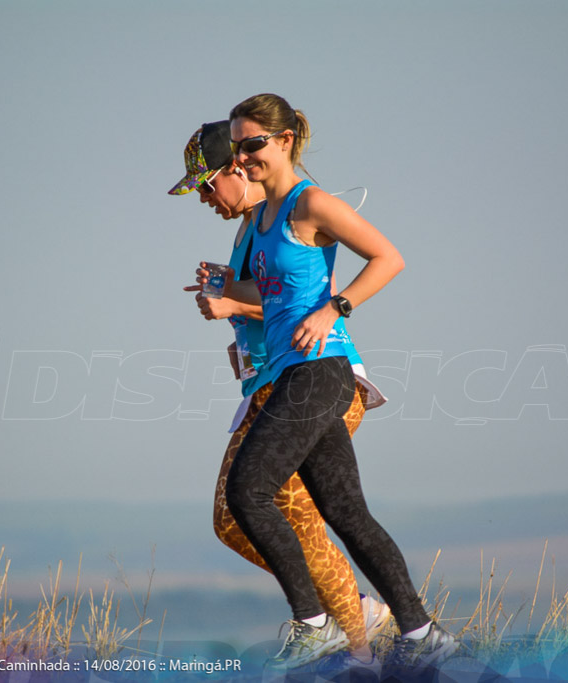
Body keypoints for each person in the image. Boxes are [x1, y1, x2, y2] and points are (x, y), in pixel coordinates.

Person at [216, 94, 459, 676]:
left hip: (321, 368)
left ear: (286, 141)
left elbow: (388, 256)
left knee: (249, 491)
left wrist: (337, 307)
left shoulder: (311, 204)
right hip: (288, 370)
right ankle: (425, 635)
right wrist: (231, 296)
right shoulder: (265, 218)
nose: (244, 157)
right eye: (237, 148)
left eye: (253, 145)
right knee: (347, 513)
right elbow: (269, 295)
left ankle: (316, 628)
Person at [168, 121, 391, 663]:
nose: (202, 197)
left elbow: (307, 297)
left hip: (314, 379)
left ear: (237, 170)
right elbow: (266, 297)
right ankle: (349, 620)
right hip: (269, 386)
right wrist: (230, 292)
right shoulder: (248, 230)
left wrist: (234, 304)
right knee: (232, 520)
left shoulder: (290, 215)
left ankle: (351, 633)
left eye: (206, 184)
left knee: (288, 508)